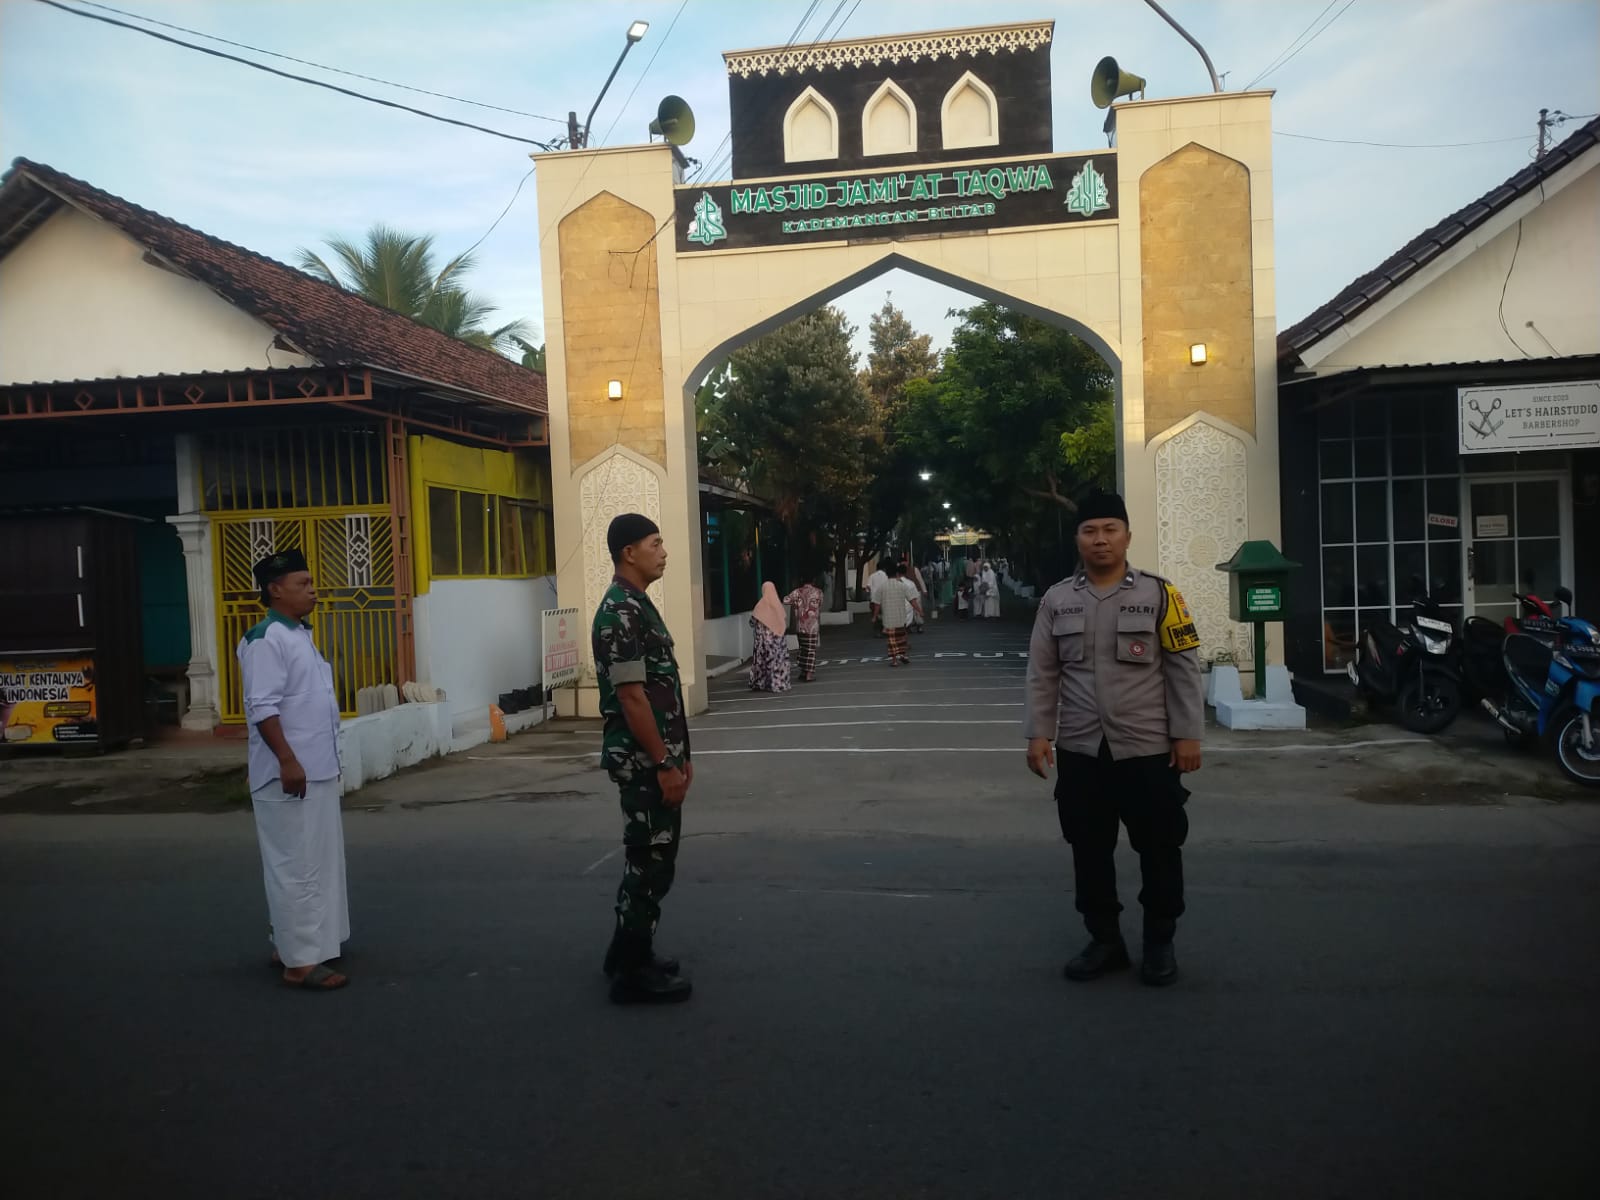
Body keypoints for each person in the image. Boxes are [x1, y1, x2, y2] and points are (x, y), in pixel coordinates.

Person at [1023, 491, 1204, 988]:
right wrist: (1040, 733)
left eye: (1110, 529)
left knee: (1161, 848)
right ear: (1078, 538)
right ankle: (1105, 940)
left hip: (1148, 750)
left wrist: (1187, 734)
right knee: (1088, 849)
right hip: (1082, 751)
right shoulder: (1057, 600)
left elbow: (1184, 669)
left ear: (1127, 535)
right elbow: (1042, 673)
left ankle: (1159, 942)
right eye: (1089, 530)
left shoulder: (1161, 595)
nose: (1100, 539)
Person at [593, 513, 694, 1004]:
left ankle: (627, 952)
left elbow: (663, 689)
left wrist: (683, 754)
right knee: (649, 862)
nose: (664, 551)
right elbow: (633, 697)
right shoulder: (620, 612)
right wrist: (664, 763)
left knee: (653, 857)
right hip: (642, 761)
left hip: (657, 758)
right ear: (628, 552)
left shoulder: (638, 605)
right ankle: (632, 974)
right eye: (656, 543)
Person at [238, 548, 350, 992]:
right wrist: (286, 759)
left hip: (317, 769)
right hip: (290, 773)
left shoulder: (297, 634)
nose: (313, 591)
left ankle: (306, 942)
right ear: (275, 590)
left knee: (320, 863)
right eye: (302, 584)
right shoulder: (266, 639)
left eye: (310, 582)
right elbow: (261, 707)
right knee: (295, 865)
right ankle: (298, 962)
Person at [748, 581, 792, 693]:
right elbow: (783, 622)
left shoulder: (760, 605)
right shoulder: (778, 605)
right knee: (777, 663)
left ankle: (760, 683)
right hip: (777, 642)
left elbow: (752, 622)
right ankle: (778, 684)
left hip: (762, 643)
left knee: (761, 663)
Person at [879, 560, 923, 666]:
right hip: (902, 615)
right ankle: (903, 655)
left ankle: (894, 661)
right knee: (902, 637)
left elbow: (877, 602)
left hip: (889, 618)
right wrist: (919, 611)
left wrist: (876, 615)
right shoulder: (905, 585)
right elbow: (913, 600)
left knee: (892, 640)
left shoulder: (883, 586)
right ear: (897, 573)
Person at [783, 576, 824, 682]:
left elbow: (785, 600)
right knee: (811, 651)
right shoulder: (818, 592)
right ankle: (809, 675)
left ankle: (803, 671)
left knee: (802, 649)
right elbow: (820, 604)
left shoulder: (797, 592)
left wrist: (797, 604)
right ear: (813, 581)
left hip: (800, 626)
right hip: (812, 626)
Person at [866, 558, 888, 636]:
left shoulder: (872, 576)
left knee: (875, 615)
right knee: (885, 615)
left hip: (874, 599)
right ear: (884, 568)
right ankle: (884, 629)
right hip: (884, 599)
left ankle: (877, 631)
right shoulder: (886, 576)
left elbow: (868, 587)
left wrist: (871, 592)